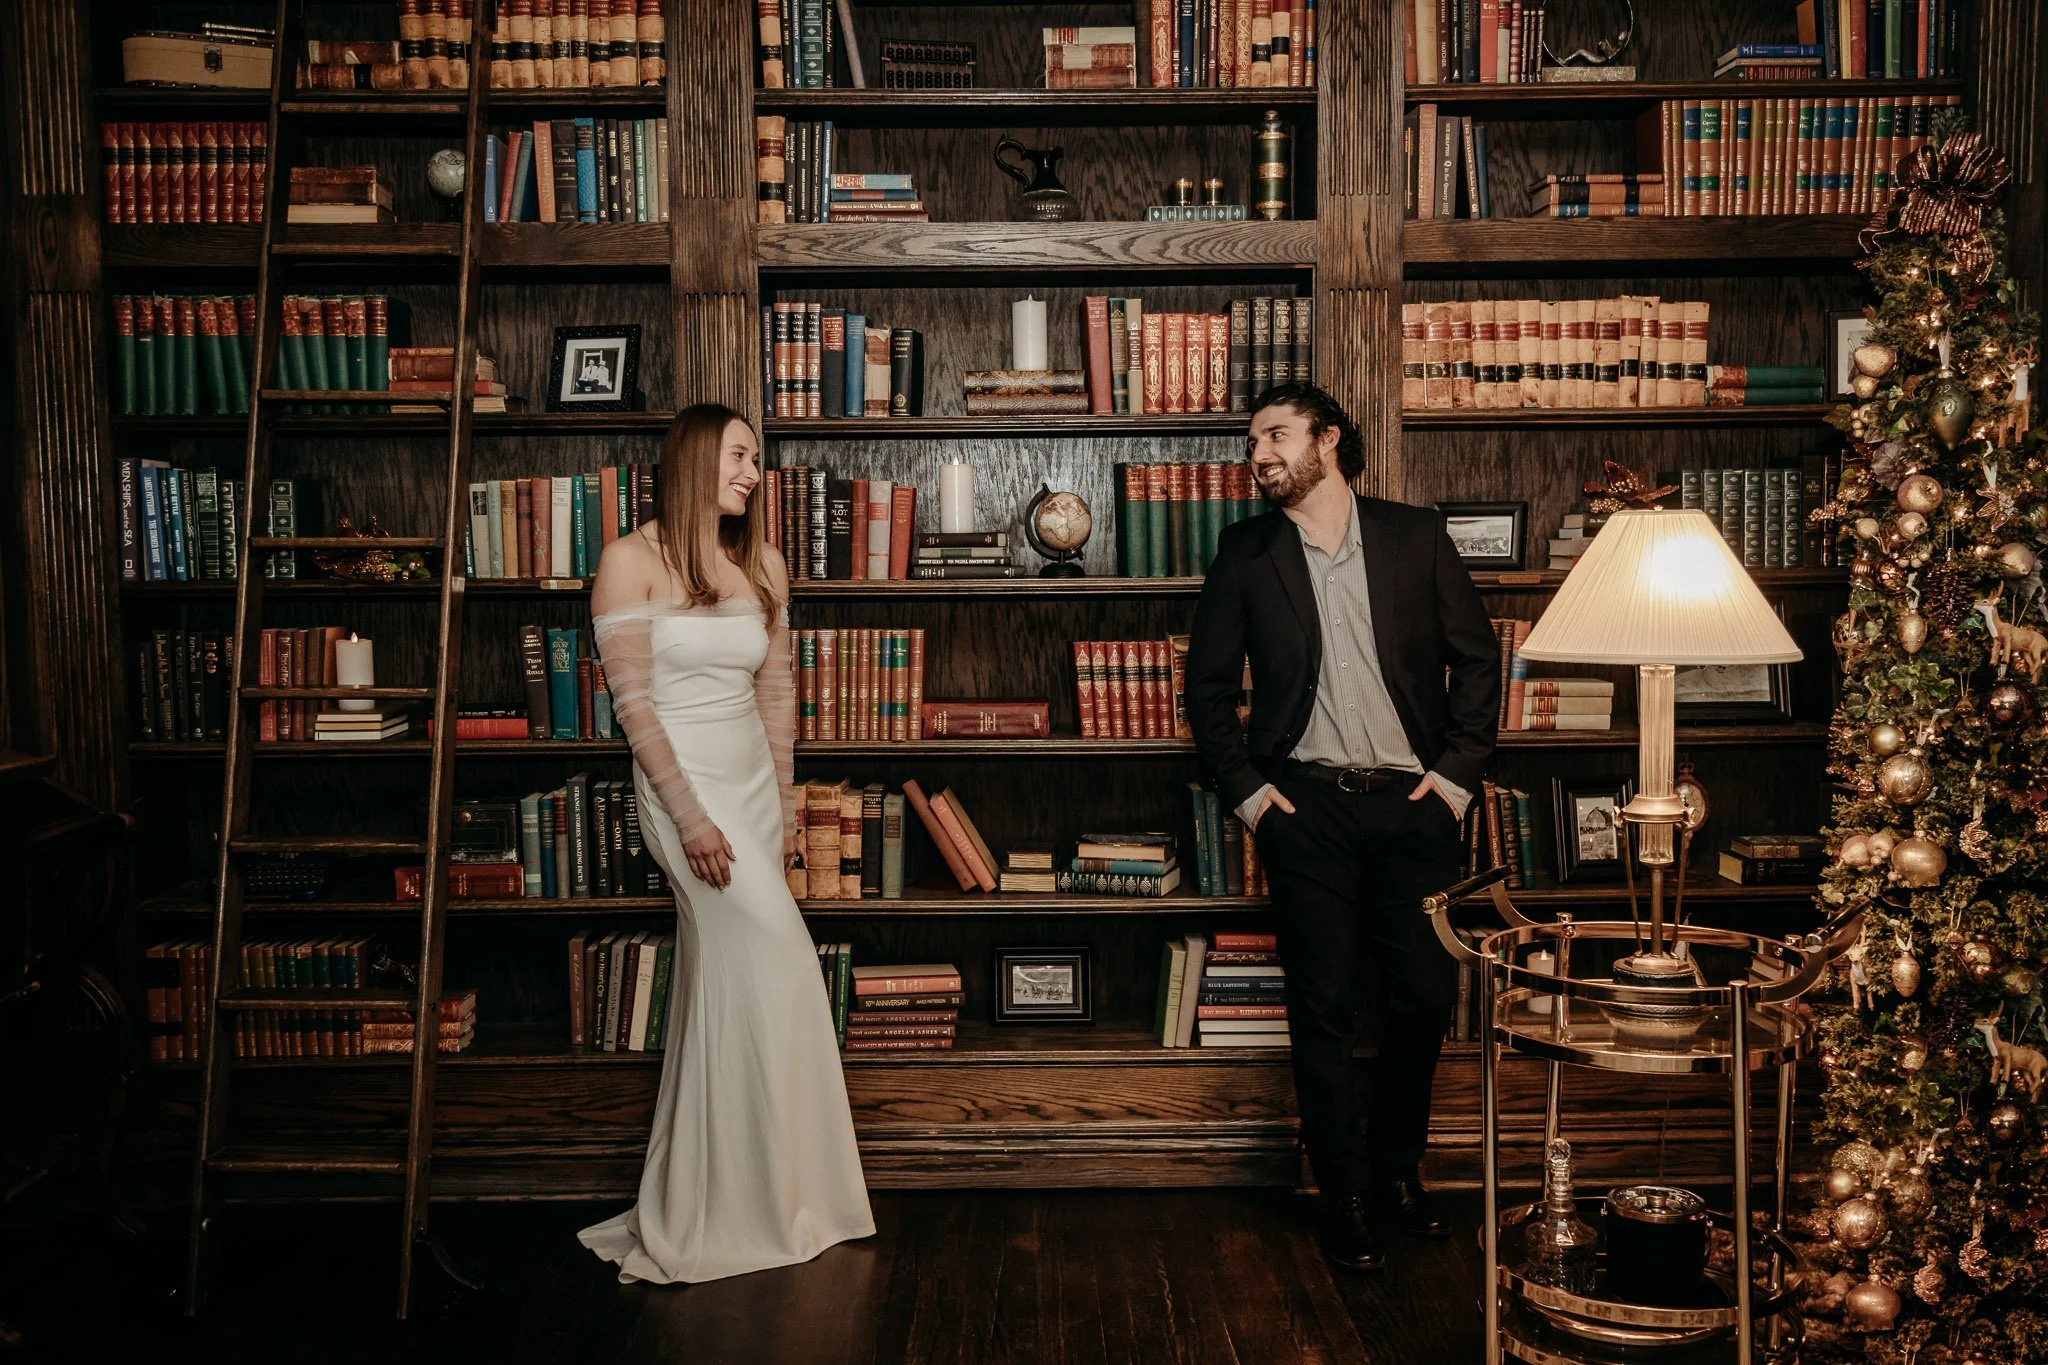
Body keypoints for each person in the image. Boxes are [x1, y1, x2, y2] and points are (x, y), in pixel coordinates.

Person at [1186, 382, 1499, 1273]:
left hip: (1414, 808)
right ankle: (1346, 1193)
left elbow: (1478, 662)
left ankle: (1400, 1169)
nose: (1260, 454)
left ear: (1328, 439)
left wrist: (1453, 780)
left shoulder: (1415, 536)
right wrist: (1250, 794)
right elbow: (1207, 694)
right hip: (1306, 809)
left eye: (1276, 436)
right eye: (1254, 442)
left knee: (1424, 998)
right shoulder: (1246, 553)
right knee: (1321, 1008)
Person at [578, 403, 873, 1282]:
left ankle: (766, 1192)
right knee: (778, 960)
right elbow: (635, 711)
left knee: (738, 984)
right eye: (742, 455)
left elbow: (777, 698)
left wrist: (783, 805)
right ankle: (737, 1200)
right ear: (698, 456)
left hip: (749, 788)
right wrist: (692, 817)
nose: (753, 472)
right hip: (683, 791)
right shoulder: (628, 560)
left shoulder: (763, 564)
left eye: (756, 458)